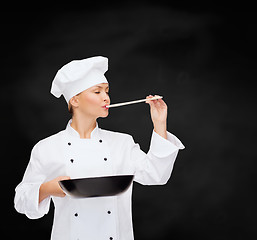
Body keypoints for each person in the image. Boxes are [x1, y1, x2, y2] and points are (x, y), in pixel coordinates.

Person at [14, 56, 185, 240]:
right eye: (97, 91)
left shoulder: (122, 143)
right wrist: (47, 189)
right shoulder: (47, 148)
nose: (106, 97)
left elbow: (156, 175)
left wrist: (160, 123)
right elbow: (21, 201)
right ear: (75, 100)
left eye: (107, 91)